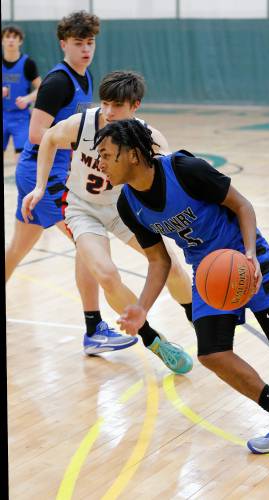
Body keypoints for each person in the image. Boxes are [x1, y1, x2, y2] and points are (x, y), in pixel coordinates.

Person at [93, 118, 269, 454]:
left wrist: (250, 255)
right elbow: (159, 261)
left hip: (244, 255)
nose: (100, 163)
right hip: (209, 274)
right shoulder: (128, 204)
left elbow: (242, 206)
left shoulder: (184, 169)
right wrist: (142, 309)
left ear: (132, 155)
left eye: (106, 154)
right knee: (212, 353)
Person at [21, 70, 193, 373]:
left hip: (125, 209)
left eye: (118, 106)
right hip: (82, 209)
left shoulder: (147, 138)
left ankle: (199, 320)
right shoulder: (83, 125)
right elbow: (48, 138)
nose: (109, 112)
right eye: (105, 103)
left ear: (135, 106)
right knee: (106, 273)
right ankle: (154, 341)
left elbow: (169, 175)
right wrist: (39, 185)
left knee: (172, 267)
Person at [3, 11, 127, 353]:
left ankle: (94, 329)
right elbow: (36, 133)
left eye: (90, 42)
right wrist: (82, 141)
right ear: (63, 44)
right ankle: (94, 330)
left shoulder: (85, 78)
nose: (86, 49)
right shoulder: (58, 82)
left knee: (18, 247)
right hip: (41, 175)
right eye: (78, 43)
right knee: (89, 244)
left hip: (54, 174)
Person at [2, 24, 42, 163]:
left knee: (22, 158)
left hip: (20, 117)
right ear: (2, 40)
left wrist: (27, 99)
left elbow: (41, 88)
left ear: (20, 41)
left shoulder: (28, 63)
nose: (11, 40)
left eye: (15, 37)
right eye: (8, 37)